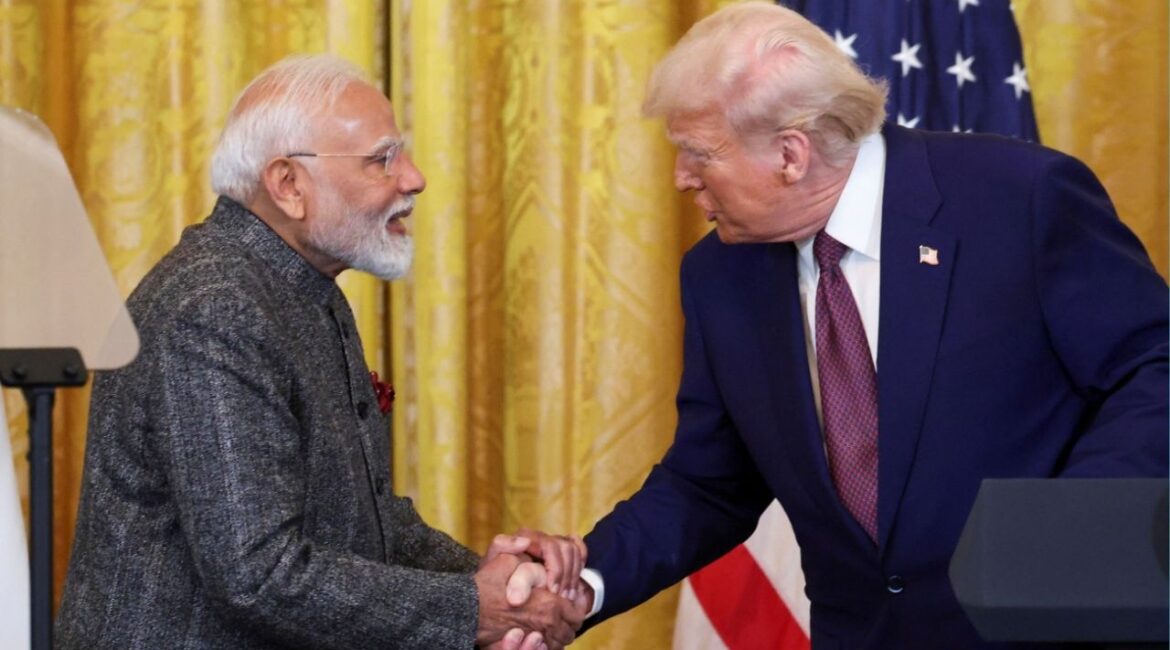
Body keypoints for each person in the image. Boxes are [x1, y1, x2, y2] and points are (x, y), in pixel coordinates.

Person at [516, 3, 1170, 648]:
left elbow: (1153, 367)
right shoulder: (721, 276)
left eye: (697, 153)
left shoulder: (1018, 199)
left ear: (791, 154)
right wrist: (585, 581)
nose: (682, 179)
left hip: (1046, 633)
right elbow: (707, 484)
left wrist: (1067, 530)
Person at [56, 55, 586, 650]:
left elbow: (364, 521)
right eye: (383, 159)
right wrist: (473, 609)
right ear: (288, 185)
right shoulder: (214, 306)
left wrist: (497, 585)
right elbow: (258, 574)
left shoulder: (299, 286)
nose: (413, 178)